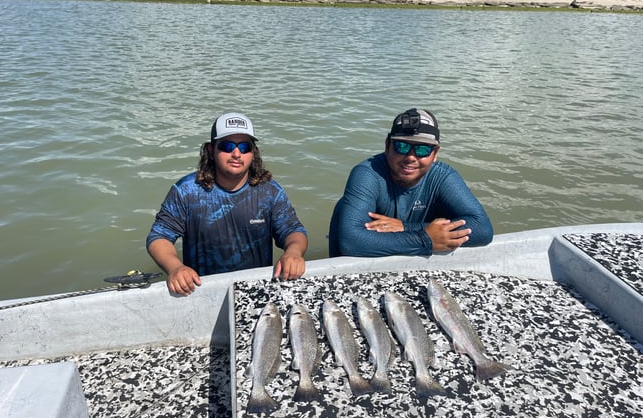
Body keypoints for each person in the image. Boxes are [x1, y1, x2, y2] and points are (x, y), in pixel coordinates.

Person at [146, 112, 308, 295]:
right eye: (227, 145)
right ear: (211, 151)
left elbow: (293, 231)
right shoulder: (186, 191)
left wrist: (294, 252)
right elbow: (159, 237)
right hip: (200, 290)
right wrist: (175, 268)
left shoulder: (270, 192)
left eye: (245, 146)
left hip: (256, 291)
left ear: (253, 153)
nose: (236, 154)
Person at [329, 108, 493, 257]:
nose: (410, 157)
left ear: (435, 153)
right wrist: (426, 240)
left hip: (409, 254)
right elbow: (350, 242)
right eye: (402, 146)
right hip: (363, 262)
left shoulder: (442, 177)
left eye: (423, 149)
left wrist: (407, 227)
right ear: (387, 145)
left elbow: (483, 229)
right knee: (343, 207)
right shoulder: (367, 173)